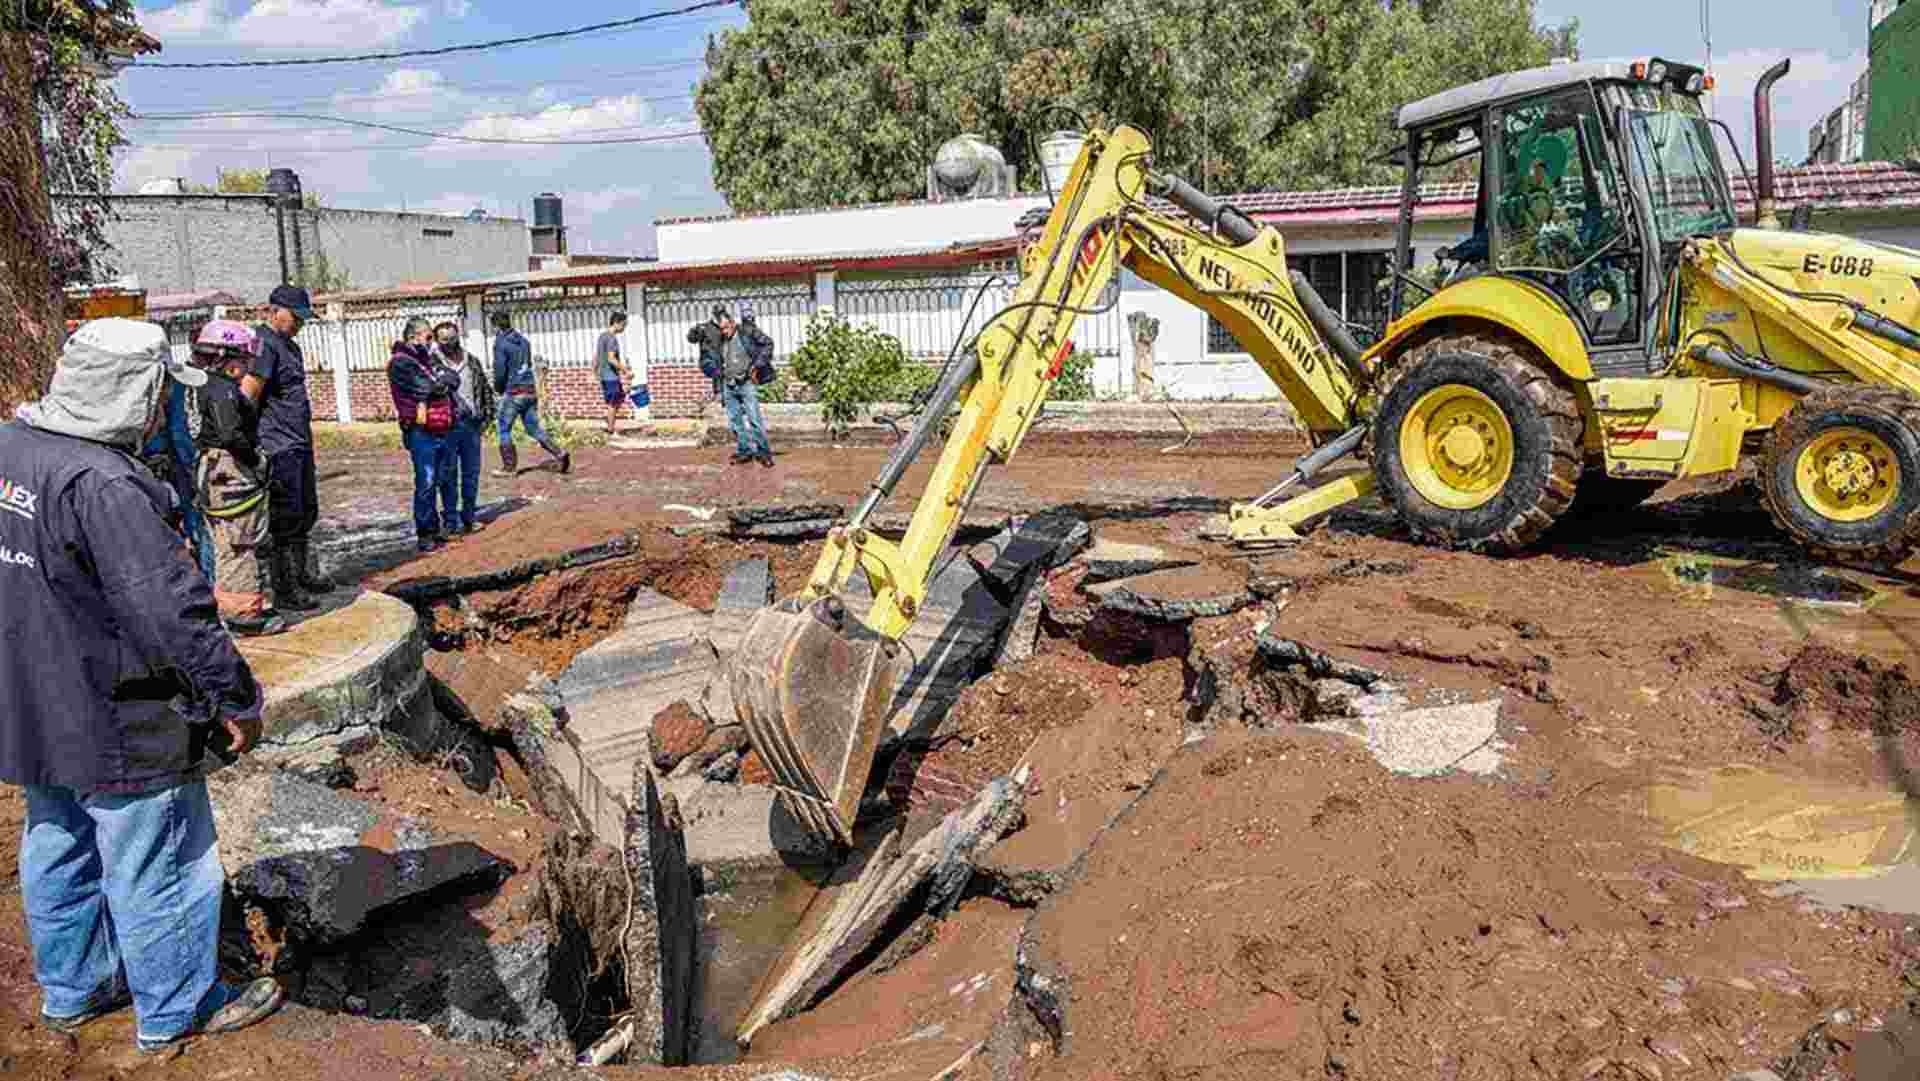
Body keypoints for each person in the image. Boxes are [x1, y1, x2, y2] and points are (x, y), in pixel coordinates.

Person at [1, 317, 285, 1056]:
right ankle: (177, 1005)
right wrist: (235, 696)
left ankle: (75, 988)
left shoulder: (12, 450)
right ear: (135, 393)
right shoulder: (107, 484)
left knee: (58, 841)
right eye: (160, 393)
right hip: (117, 713)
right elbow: (173, 614)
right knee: (158, 857)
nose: (166, 409)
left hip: (33, 701)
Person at [191, 320, 286, 637]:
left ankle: (248, 604)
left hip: (217, 471)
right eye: (244, 358)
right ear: (224, 356)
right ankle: (243, 616)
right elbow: (230, 434)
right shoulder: (221, 391)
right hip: (229, 471)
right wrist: (256, 460)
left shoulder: (206, 385)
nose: (248, 366)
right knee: (240, 543)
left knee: (236, 542)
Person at [243, 285, 332, 614]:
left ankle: (303, 574)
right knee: (285, 518)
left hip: (299, 441)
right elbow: (248, 396)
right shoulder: (263, 345)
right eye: (295, 318)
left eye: (303, 319)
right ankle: (285, 589)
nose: (299, 324)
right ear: (273, 310)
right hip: (277, 445)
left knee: (306, 511)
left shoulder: (290, 347)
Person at [389, 317, 462, 553]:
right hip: (419, 431)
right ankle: (425, 534)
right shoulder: (401, 363)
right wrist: (440, 383)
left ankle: (435, 527)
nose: (432, 343)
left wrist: (441, 382)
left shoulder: (426, 360)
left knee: (442, 478)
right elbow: (428, 388)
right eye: (428, 337)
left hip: (440, 427)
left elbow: (453, 378)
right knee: (426, 481)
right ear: (413, 337)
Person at [139, 373, 215, 583]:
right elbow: (180, 431)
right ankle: (206, 580)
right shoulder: (169, 381)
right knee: (195, 524)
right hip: (171, 465)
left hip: (141, 466)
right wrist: (192, 467)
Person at [692, 304, 775, 467]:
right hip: (728, 385)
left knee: (754, 419)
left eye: (726, 328)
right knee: (735, 421)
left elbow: (768, 344)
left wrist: (757, 366)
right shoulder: (719, 339)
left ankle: (763, 453)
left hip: (746, 383)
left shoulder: (747, 332)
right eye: (721, 329)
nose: (724, 332)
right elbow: (707, 353)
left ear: (733, 323)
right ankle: (744, 451)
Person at [489, 310, 570, 478]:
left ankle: (509, 468)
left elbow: (500, 371)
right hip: (529, 389)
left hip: (513, 391)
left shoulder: (501, 343)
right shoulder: (524, 341)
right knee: (534, 429)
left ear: (496, 326)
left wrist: (498, 388)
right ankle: (560, 453)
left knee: (504, 429)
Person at [433, 321, 495, 536]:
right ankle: (451, 521)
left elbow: (485, 390)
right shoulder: (432, 365)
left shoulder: (472, 361)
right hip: (446, 428)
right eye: (444, 339)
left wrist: (487, 418)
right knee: (448, 475)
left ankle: (469, 517)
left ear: (459, 336)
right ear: (437, 341)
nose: (450, 342)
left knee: (471, 474)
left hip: (471, 427)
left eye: (453, 337)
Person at [594, 311, 634, 438]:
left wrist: (594, 371)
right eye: (624, 325)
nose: (624, 328)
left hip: (604, 376)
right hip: (611, 376)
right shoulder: (612, 338)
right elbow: (611, 358)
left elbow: (596, 356)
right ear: (617, 323)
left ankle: (610, 426)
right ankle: (611, 431)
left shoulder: (602, 336)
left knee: (615, 400)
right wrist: (626, 371)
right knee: (613, 403)